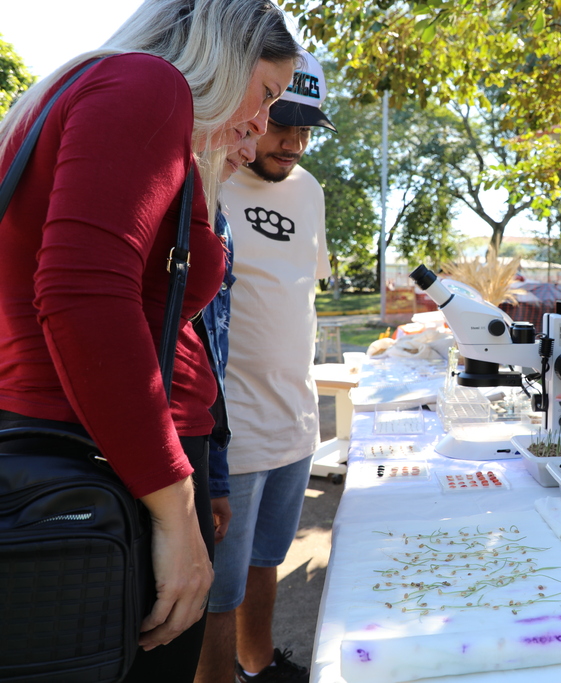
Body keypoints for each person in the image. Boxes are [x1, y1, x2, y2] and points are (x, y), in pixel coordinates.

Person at [0, 0, 298, 680]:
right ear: (225, 49)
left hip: (114, 449)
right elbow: (85, 300)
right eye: (268, 93)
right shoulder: (147, 85)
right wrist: (174, 509)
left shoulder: (101, 92)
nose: (262, 121)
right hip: (104, 458)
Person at [196, 48, 334, 683]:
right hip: (232, 432)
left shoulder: (311, 191)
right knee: (216, 595)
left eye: (308, 127)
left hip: (295, 423)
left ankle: (258, 666)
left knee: (266, 562)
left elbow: (299, 294)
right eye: (284, 122)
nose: (295, 141)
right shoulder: (209, 174)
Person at [204, 131, 260, 545]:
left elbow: (211, 360)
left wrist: (214, 475)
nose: (250, 151)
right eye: (242, 131)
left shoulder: (218, 221)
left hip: (196, 448)